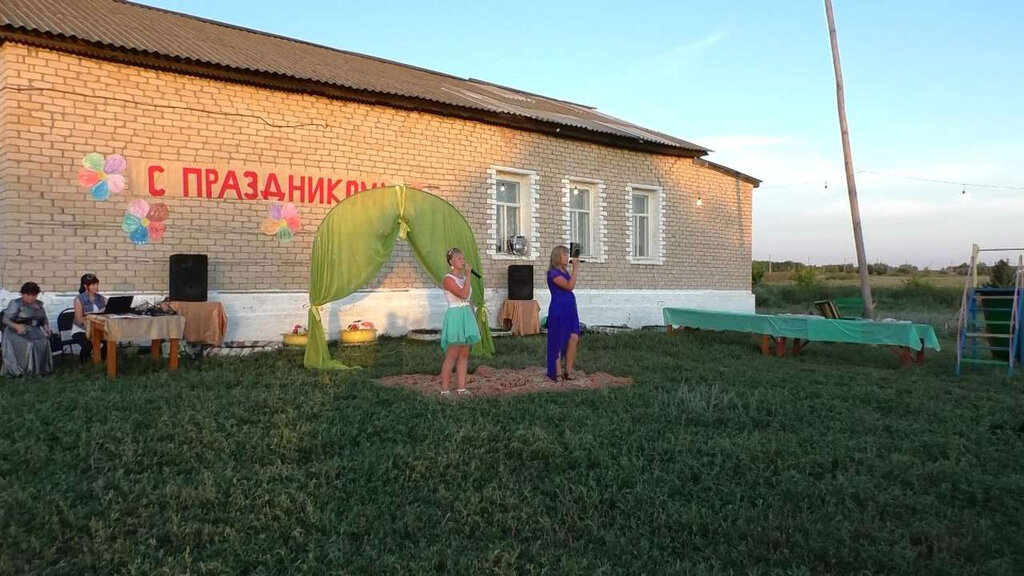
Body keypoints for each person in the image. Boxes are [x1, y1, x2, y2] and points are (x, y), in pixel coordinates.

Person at [439, 247, 481, 396]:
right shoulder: (448, 279)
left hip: (466, 315)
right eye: (459, 258)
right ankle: (444, 390)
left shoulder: (463, 278)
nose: (462, 261)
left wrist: (473, 318)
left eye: (463, 258)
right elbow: (463, 294)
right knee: (452, 354)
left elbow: (468, 299)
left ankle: (461, 388)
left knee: (464, 354)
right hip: (455, 316)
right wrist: (468, 276)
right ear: (451, 262)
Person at [1, 282, 54, 378]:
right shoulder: (16, 303)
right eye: (28, 295)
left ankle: (42, 370)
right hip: (15, 332)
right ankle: (26, 370)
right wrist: (17, 326)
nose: (31, 297)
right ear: (22, 294)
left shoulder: (39, 305)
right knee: (30, 344)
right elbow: (5, 319)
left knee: (44, 342)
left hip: (33, 331)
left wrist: (46, 327)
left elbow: (43, 319)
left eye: (33, 295)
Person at [546, 245, 581, 381]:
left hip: (569, 308)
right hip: (559, 308)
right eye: (564, 255)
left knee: (573, 337)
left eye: (567, 255)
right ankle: (557, 372)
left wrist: (572, 271)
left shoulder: (565, 272)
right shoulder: (553, 273)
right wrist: (575, 269)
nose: (567, 257)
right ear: (557, 257)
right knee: (558, 339)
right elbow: (569, 286)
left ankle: (569, 370)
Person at [72, 273, 107, 363]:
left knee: (109, 341)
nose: (96, 287)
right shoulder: (79, 299)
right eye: (93, 285)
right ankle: (83, 365)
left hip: (98, 328)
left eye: (97, 284)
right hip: (81, 330)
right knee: (88, 346)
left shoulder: (101, 298)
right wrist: (90, 317)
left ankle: (100, 362)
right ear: (85, 286)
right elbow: (79, 321)